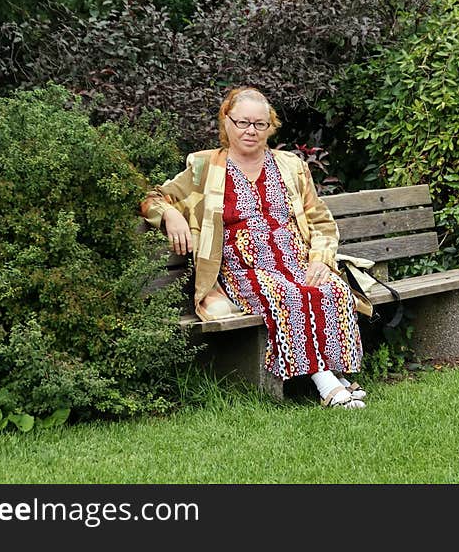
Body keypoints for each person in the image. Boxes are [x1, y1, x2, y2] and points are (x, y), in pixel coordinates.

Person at [140, 86, 367, 409]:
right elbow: (152, 197)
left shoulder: (290, 166)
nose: (251, 131)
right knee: (287, 295)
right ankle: (327, 384)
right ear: (227, 122)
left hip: (295, 262)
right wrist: (171, 215)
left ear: (270, 126)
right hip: (243, 271)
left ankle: (335, 374)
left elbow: (321, 221)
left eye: (260, 124)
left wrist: (321, 258)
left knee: (332, 288)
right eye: (243, 122)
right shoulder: (205, 167)